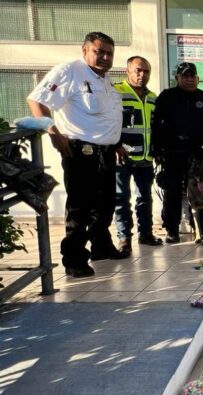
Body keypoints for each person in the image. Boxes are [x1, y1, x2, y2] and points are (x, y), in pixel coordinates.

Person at [27, 32, 127, 278]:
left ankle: (101, 247)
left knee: (105, 205)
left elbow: (106, 116)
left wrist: (116, 144)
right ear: (85, 50)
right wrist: (53, 132)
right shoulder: (69, 71)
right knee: (80, 208)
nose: (105, 57)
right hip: (81, 152)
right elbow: (36, 100)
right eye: (99, 52)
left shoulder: (104, 79)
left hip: (106, 153)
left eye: (109, 53)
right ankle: (74, 259)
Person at [150, 62, 203, 243]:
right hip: (172, 153)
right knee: (172, 192)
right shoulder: (167, 97)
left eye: (192, 76)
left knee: (200, 191)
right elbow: (155, 125)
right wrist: (157, 149)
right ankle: (172, 230)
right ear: (178, 78)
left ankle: (200, 232)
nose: (189, 79)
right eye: (185, 76)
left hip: (198, 155)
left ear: (197, 78)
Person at [113, 56, 162, 255]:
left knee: (145, 197)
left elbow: (155, 127)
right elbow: (108, 122)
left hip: (145, 157)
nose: (142, 75)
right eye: (138, 71)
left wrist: (157, 151)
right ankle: (124, 238)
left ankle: (146, 233)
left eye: (146, 71)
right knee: (121, 198)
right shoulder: (116, 92)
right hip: (122, 156)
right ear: (128, 71)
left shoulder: (152, 97)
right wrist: (115, 146)